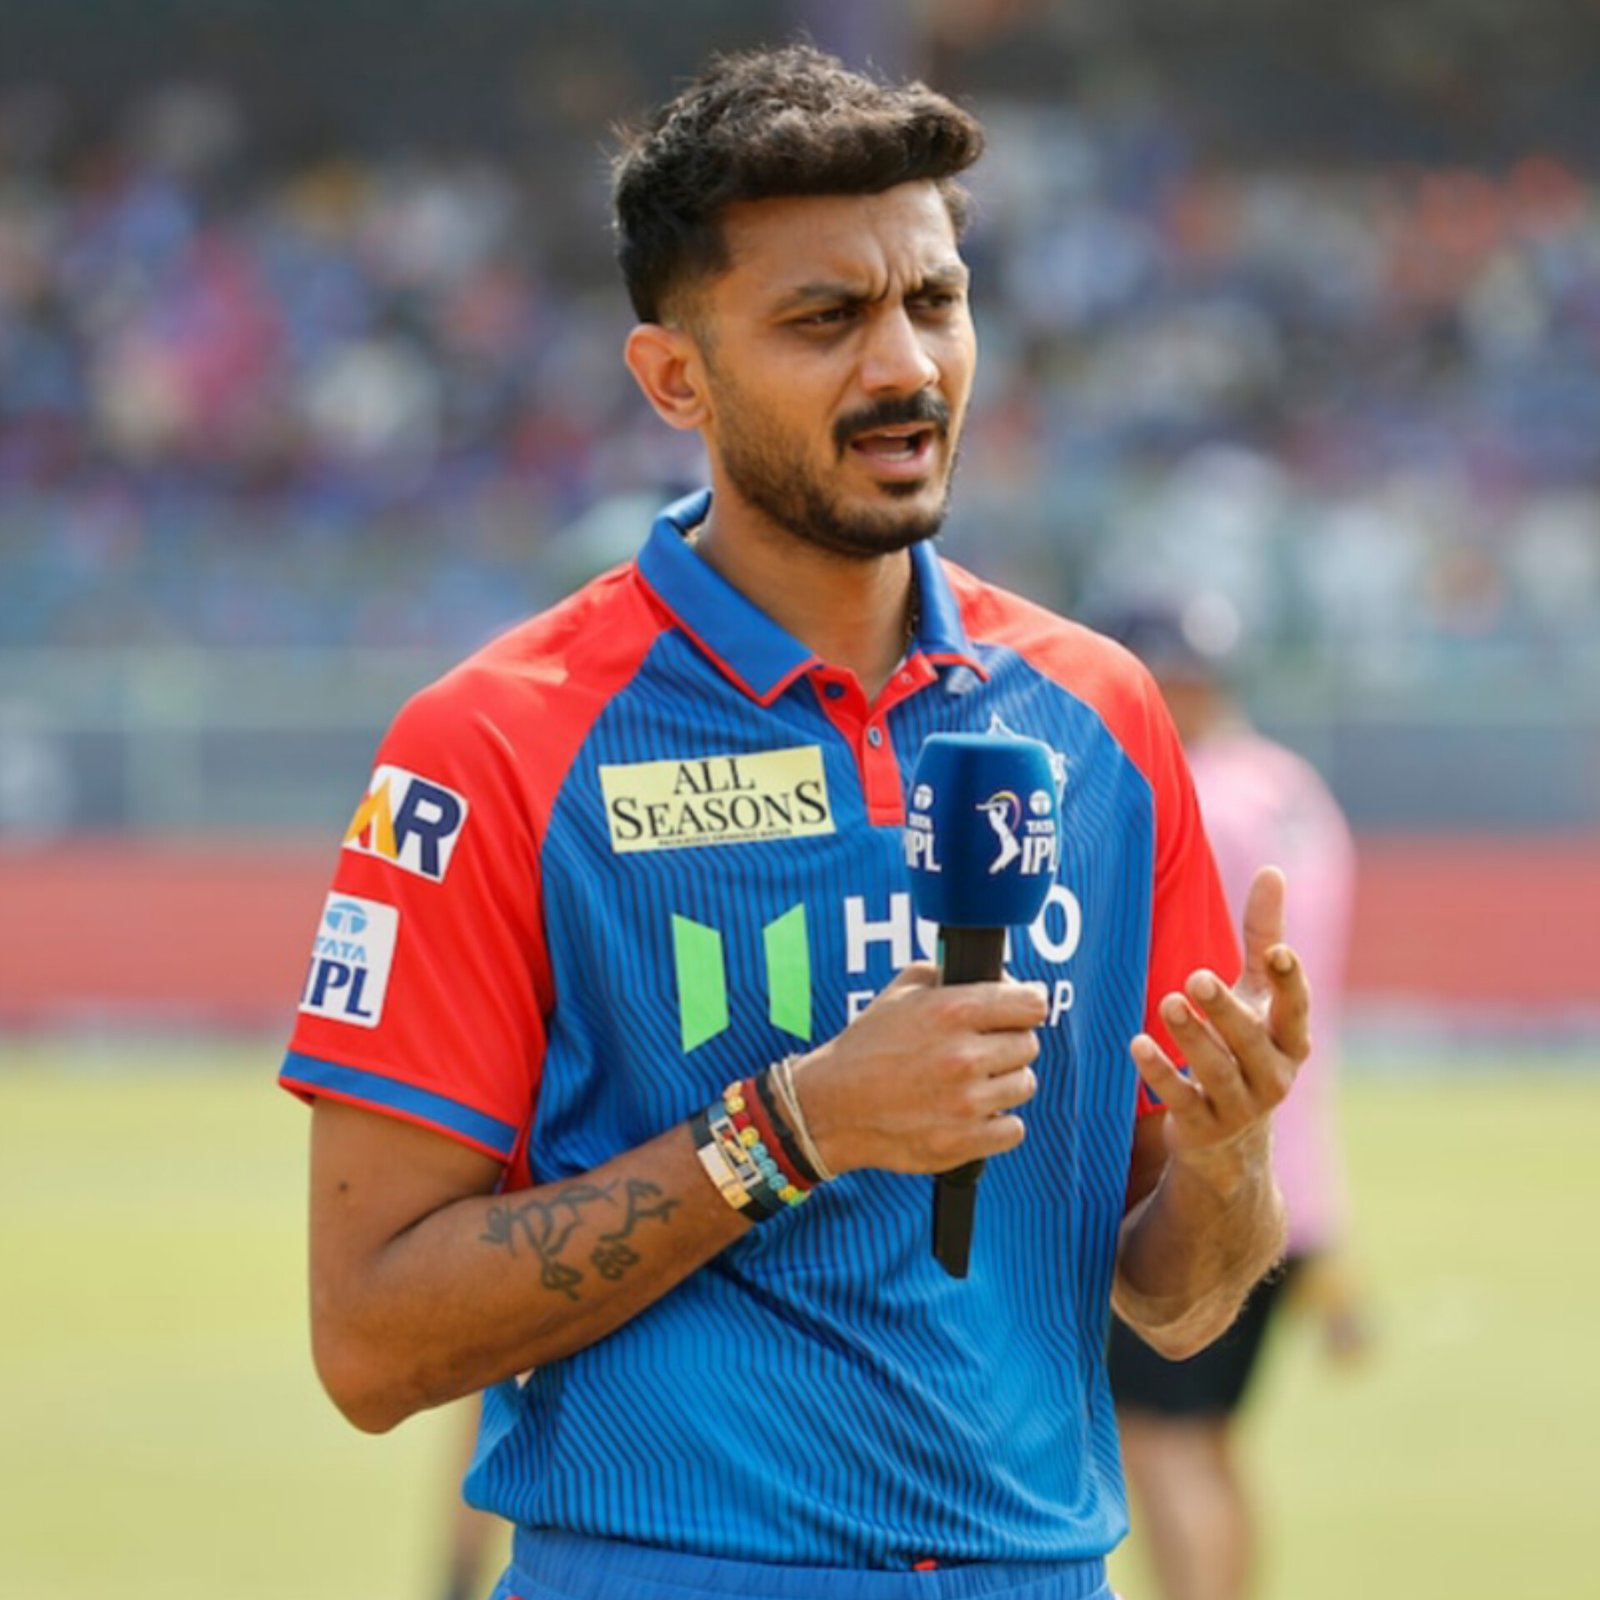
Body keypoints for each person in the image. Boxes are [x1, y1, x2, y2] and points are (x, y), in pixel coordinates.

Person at [280, 45, 1310, 1600]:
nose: (904, 366)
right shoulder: (493, 744)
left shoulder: (1102, 716)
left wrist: (1229, 1163)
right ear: (673, 378)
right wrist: (798, 1128)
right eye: (824, 320)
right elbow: (370, 1341)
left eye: (935, 302)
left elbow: (1176, 1300)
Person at [1101, 596, 1369, 1600]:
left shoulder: (1194, 799)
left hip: (1200, 1167)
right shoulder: (1290, 786)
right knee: (1205, 1442)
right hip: (1292, 1169)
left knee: (1161, 1442)